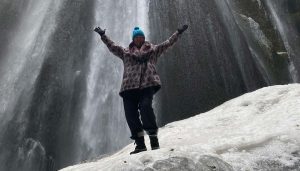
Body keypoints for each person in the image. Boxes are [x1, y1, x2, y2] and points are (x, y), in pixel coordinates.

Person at [94, 24, 188, 154]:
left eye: (140, 36)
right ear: (133, 39)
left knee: (146, 108)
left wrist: (178, 32)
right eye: (136, 37)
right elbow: (113, 47)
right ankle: (140, 145)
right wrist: (103, 36)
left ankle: (154, 141)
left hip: (146, 86)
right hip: (128, 89)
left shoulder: (153, 50)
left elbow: (167, 43)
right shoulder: (125, 52)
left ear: (143, 38)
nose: (138, 39)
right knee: (130, 115)